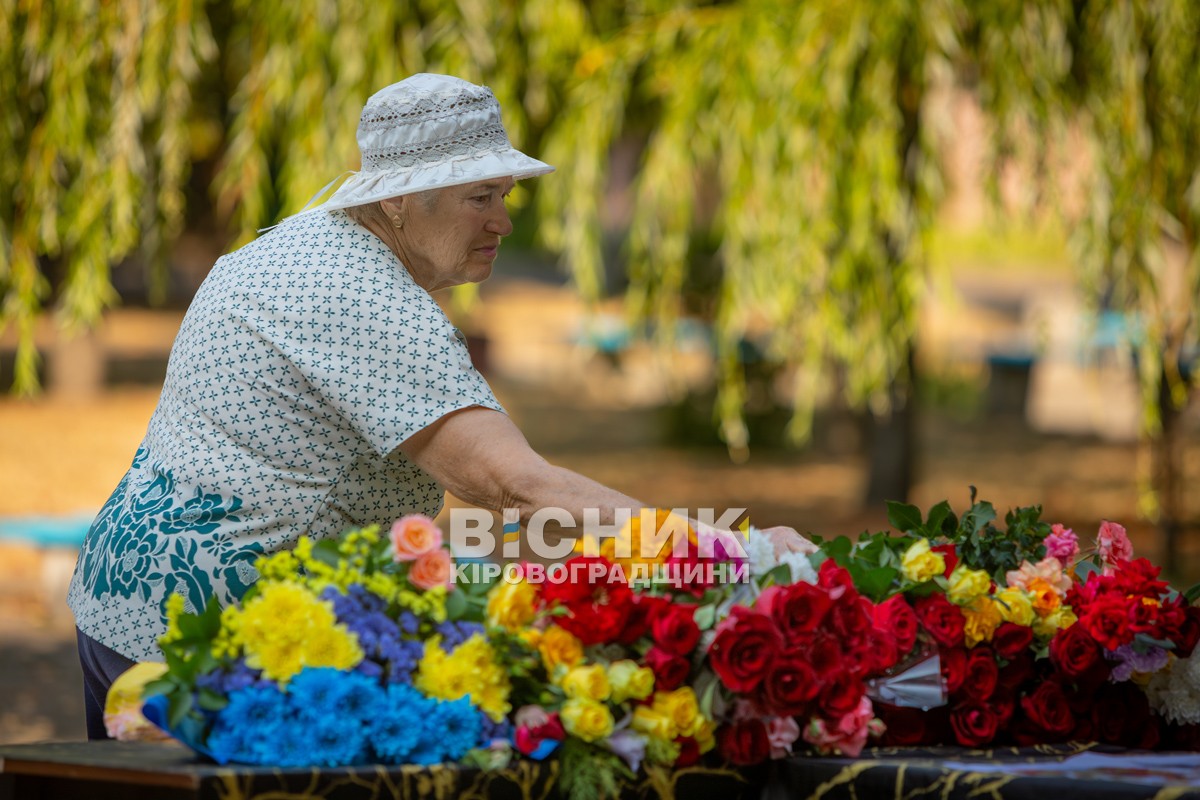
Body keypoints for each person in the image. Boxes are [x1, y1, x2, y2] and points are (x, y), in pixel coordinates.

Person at [67, 73, 807, 740]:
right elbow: (511, 484)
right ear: (396, 198)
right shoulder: (365, 298)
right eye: (478, 198)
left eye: (504, 196)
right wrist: (734, 553)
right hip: (206, 642)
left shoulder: (299, 244)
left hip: (128, 599)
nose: (503, 222)